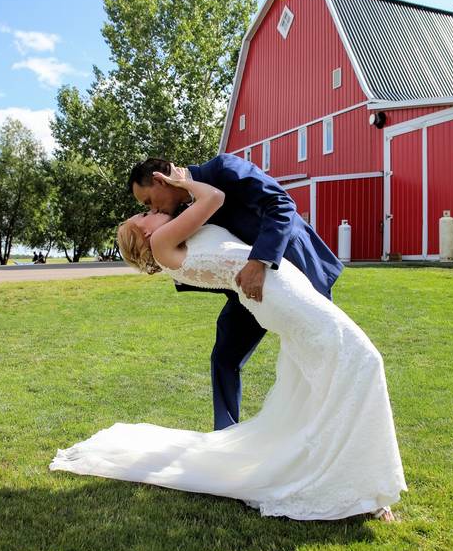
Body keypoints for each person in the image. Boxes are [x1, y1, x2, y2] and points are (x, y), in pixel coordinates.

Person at [50, 174, 406, 521]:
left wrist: (179, 187)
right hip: (275, 292)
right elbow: (214, 199)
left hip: (276, 283)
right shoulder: (161, 241)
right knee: (362, 359)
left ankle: (350, 479)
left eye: (145, 207)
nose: (149, 211)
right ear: (144, 233)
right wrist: (183, 182)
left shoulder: (172, 234)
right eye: (143, 213)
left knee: (327, 370)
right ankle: (361, 486)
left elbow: (241, 208)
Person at [126, 155, 343, 430]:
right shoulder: (181, 214)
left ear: (160, 179)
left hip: (295, 268)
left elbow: (281, 204)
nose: (153, 209)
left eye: (148, 202)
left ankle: (329, 430)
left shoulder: (224, 169)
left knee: (321, 351)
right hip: (247, 290)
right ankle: (225, 434)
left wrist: (258, 262)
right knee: (224, 357)